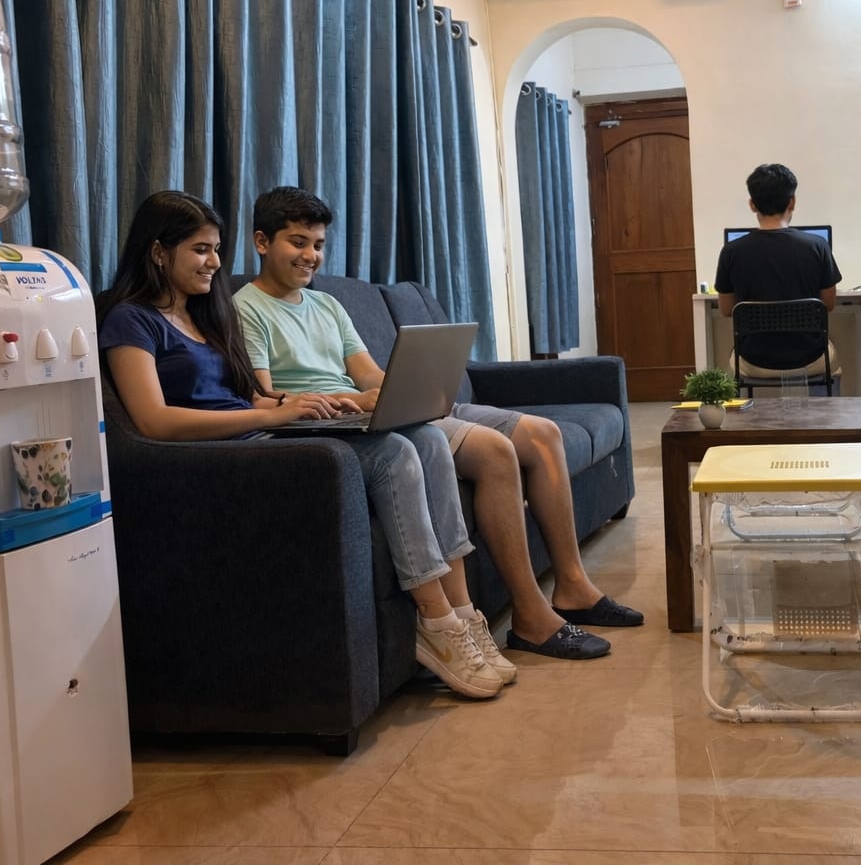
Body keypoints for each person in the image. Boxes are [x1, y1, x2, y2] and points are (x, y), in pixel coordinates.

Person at [97, 191, 509, 700]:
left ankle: (464, 614)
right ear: (159, 251)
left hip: (261, 432)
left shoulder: (205, 313)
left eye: (217, 249)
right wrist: (272, 414)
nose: (216, 263)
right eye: (200, 250)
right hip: (220, 457)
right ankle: (436, 620)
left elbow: (247, 393)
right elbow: (153, 421)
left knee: (425, 439)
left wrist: (298, 403)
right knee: (394, 453)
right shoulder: (130, 319)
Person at [233, 188, 641, 664]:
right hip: (338, 422)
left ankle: (572, 586)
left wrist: (410, 387)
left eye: (318, 244)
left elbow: (368, 374)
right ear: (262, 242)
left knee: (543, 434)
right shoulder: (246, 308)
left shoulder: (326, 305)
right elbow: (263, 395)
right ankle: (532, 615)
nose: (311, 255)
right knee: (494, 451)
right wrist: (358, 401)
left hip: (382, 408)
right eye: (298, 242)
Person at [714, 163, 843, 380]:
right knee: (831, 353)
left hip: (753, 360)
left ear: (752, 204)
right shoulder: (818, 246)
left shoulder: (731, 252)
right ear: (792, 202)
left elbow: (727, 310)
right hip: (810, 357)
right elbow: (828, 305)